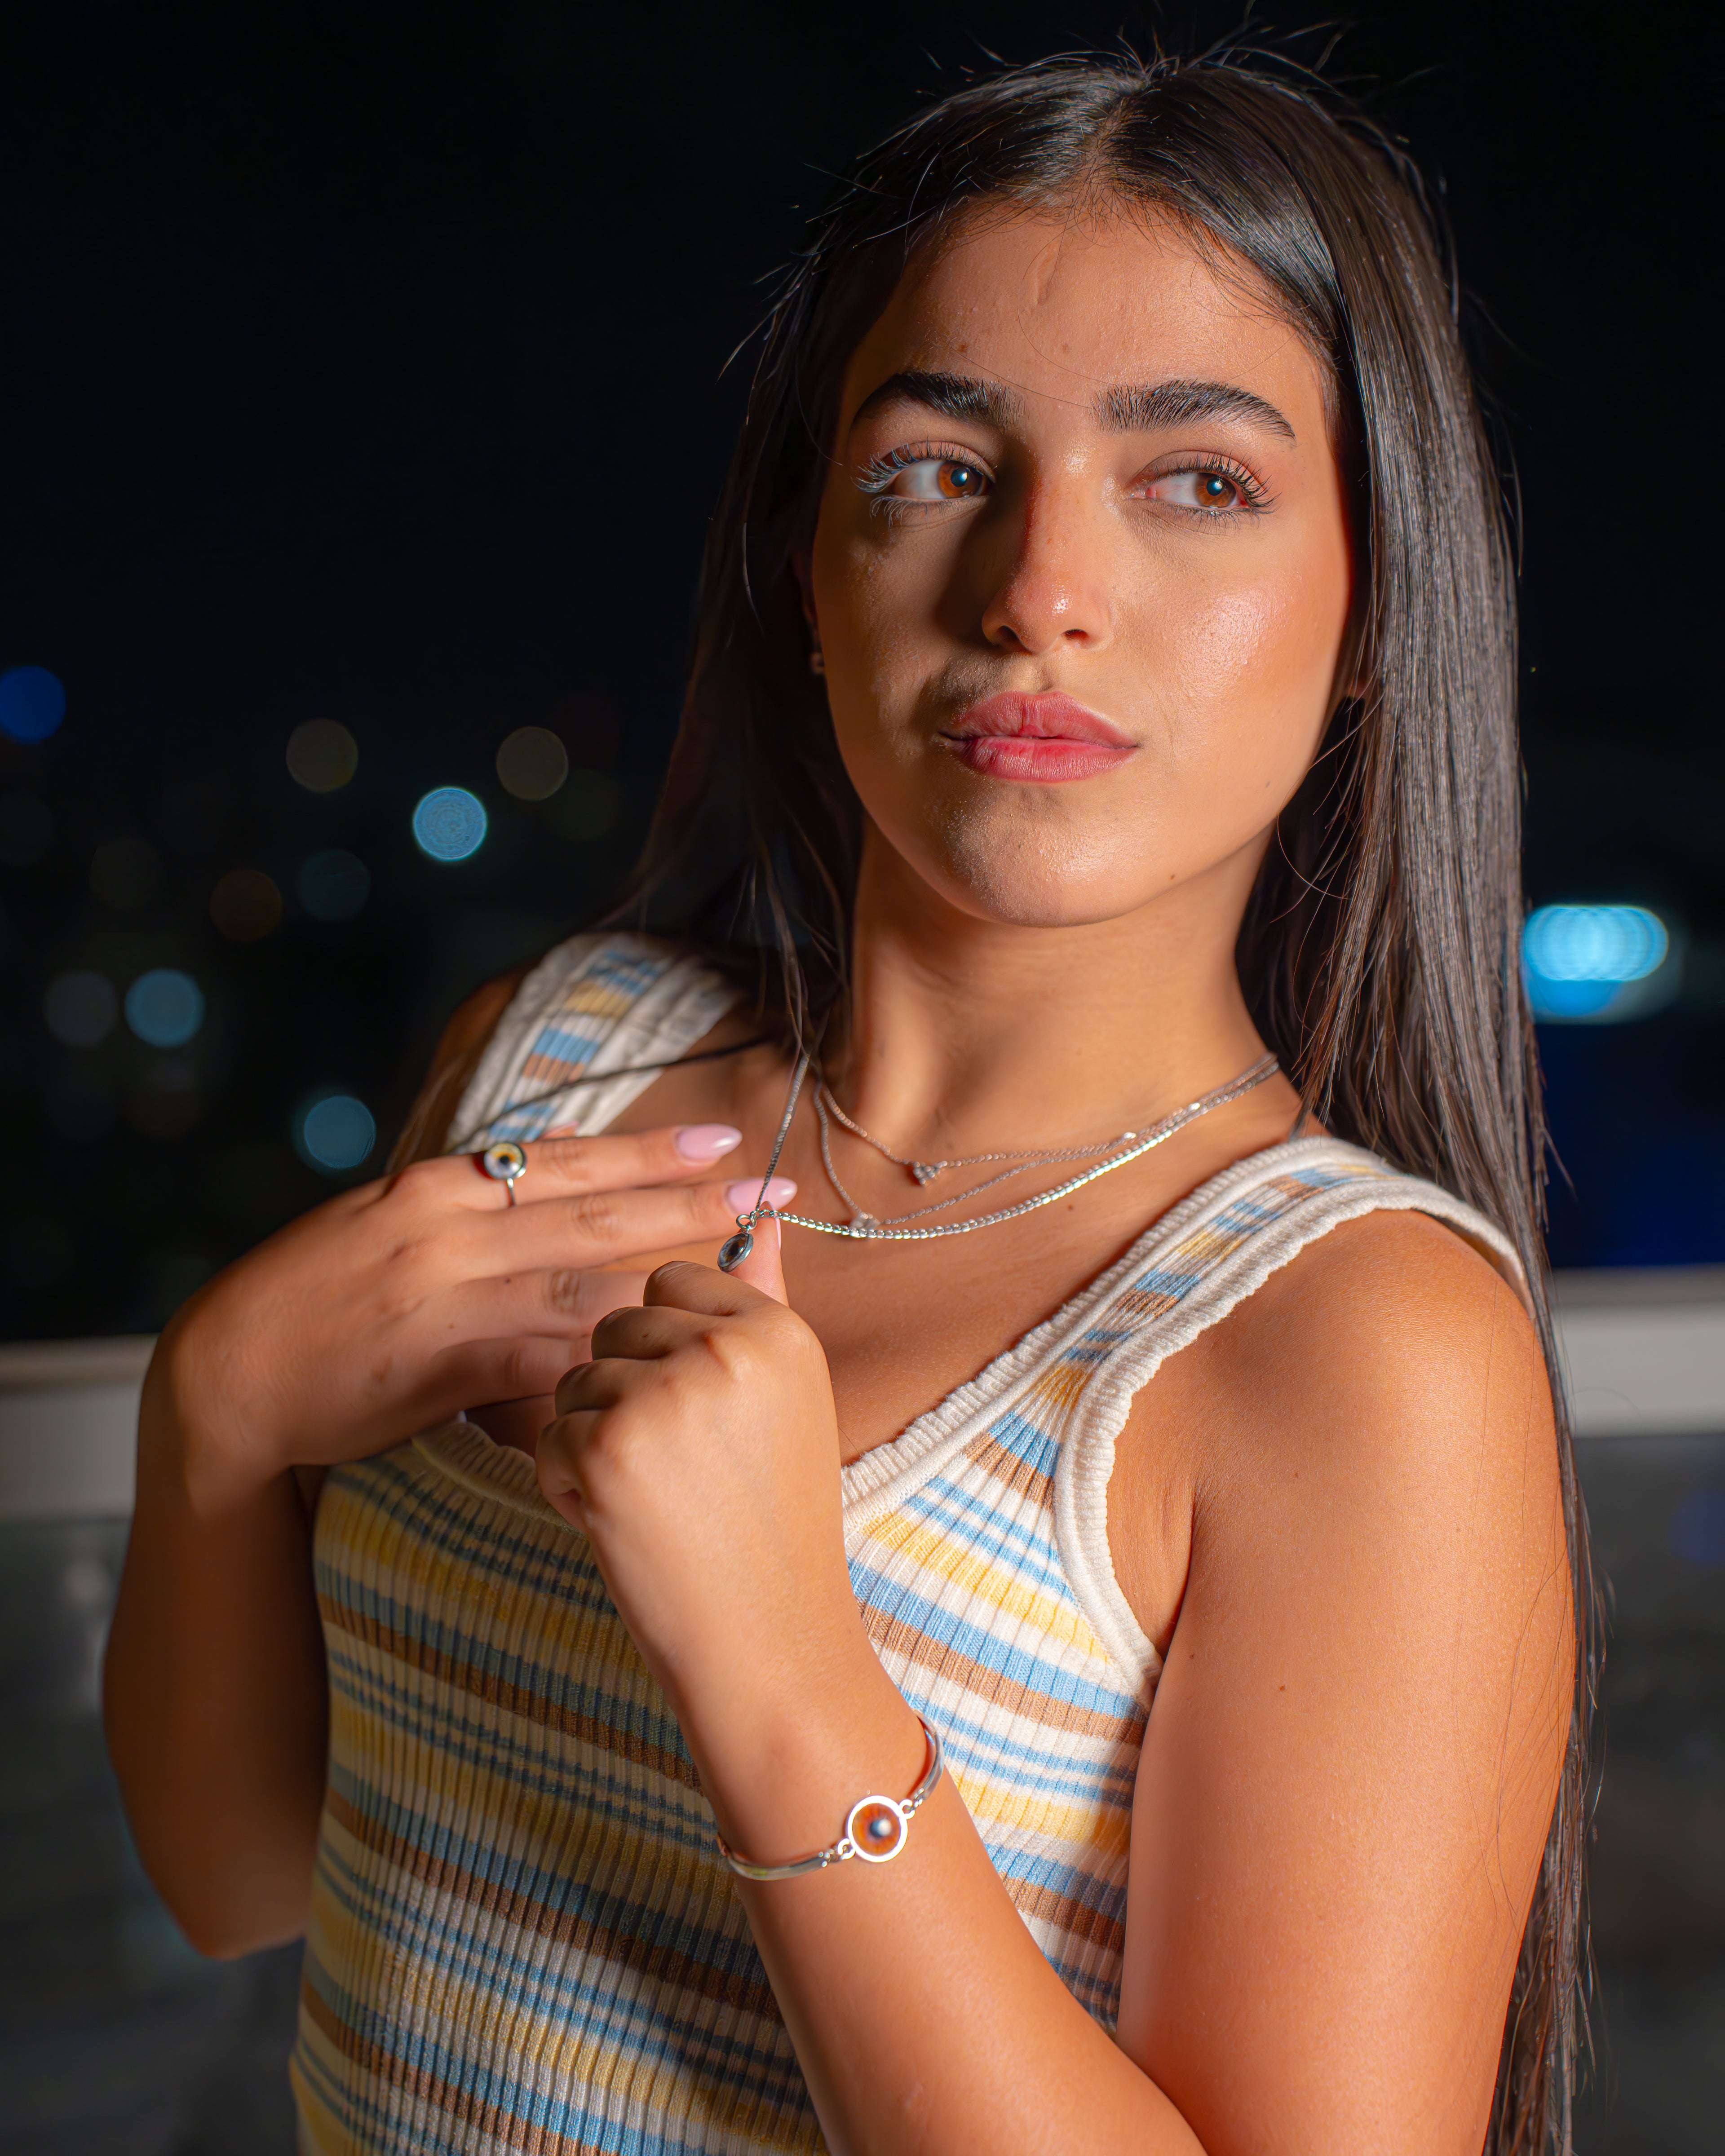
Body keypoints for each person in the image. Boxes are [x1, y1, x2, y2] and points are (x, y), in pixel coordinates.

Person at [104, 49, 1591, 2156]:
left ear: (1368, 616)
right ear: (808, 575)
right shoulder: (552, 1060)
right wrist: (220, 1419)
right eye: (934, 469)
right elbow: (240, 1873)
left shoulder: (1350, 1351)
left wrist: (786, 1669)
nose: (1038, 592)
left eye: (1198, 481)